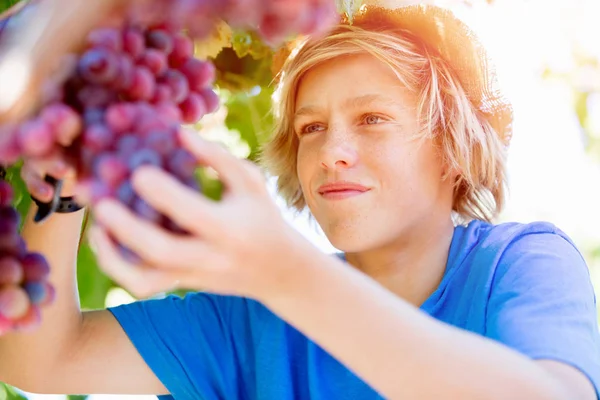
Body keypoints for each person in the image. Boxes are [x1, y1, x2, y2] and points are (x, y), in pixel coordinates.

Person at [1, 3, 599, 399]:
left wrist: (284, 272)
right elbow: (38, 363)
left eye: (372, 118)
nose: (332, 151)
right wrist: (68, 188)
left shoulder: (516, 263)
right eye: (311, 128)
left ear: (452, 148)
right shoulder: (255, 319)